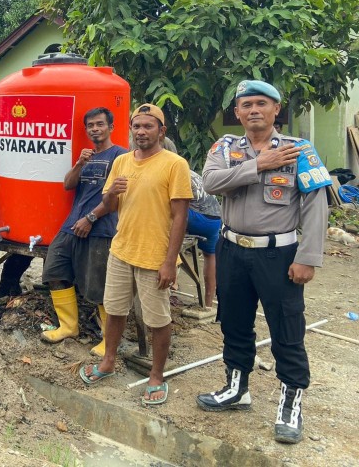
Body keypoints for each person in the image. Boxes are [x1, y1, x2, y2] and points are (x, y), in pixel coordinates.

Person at [196, 80, 329, 445]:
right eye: (246, 104)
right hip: (231, 250)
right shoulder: (226, 147)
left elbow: (315, 205)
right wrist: (259, 165)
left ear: (276, 109)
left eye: (261, 103)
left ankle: (290, 403)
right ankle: (236, 388)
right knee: (234, 322)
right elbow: (210, 183)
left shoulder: (298, 149)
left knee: (286, 328)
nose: (254, 110)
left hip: (278, 254)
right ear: (237, 113)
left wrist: (308, 258)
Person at [78, 104, 192, 408]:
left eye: (148, 126)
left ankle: (156, 375)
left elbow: (180, 216)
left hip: (155, 256)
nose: (141, 132)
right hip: (121, 250)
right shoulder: (122, 161)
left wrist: (170, 262)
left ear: (161, 131)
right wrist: (111, 192)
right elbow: (110, 206)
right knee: (115, 310)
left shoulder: (174, 164)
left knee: (157, 319)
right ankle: (108, 362)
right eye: (137, 126)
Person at [40, 108, 128, 358]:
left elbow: (118, 196)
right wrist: (80, 163)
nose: (95, 129)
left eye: (100, 124)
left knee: (99, 284)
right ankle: (68, 327)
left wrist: (91, 218)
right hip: (72, 224)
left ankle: (109, 339)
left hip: (101, 228)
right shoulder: (86, 156)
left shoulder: (120, 156)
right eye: (90, 125)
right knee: (54, 269)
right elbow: (68, 184)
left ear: (111, 127)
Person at [187, 170, 221, 308]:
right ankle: (208, 304)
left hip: (195, 217)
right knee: (210, 255)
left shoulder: (174, 170)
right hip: (215, 219)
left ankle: (174, 284)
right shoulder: (193, 174)